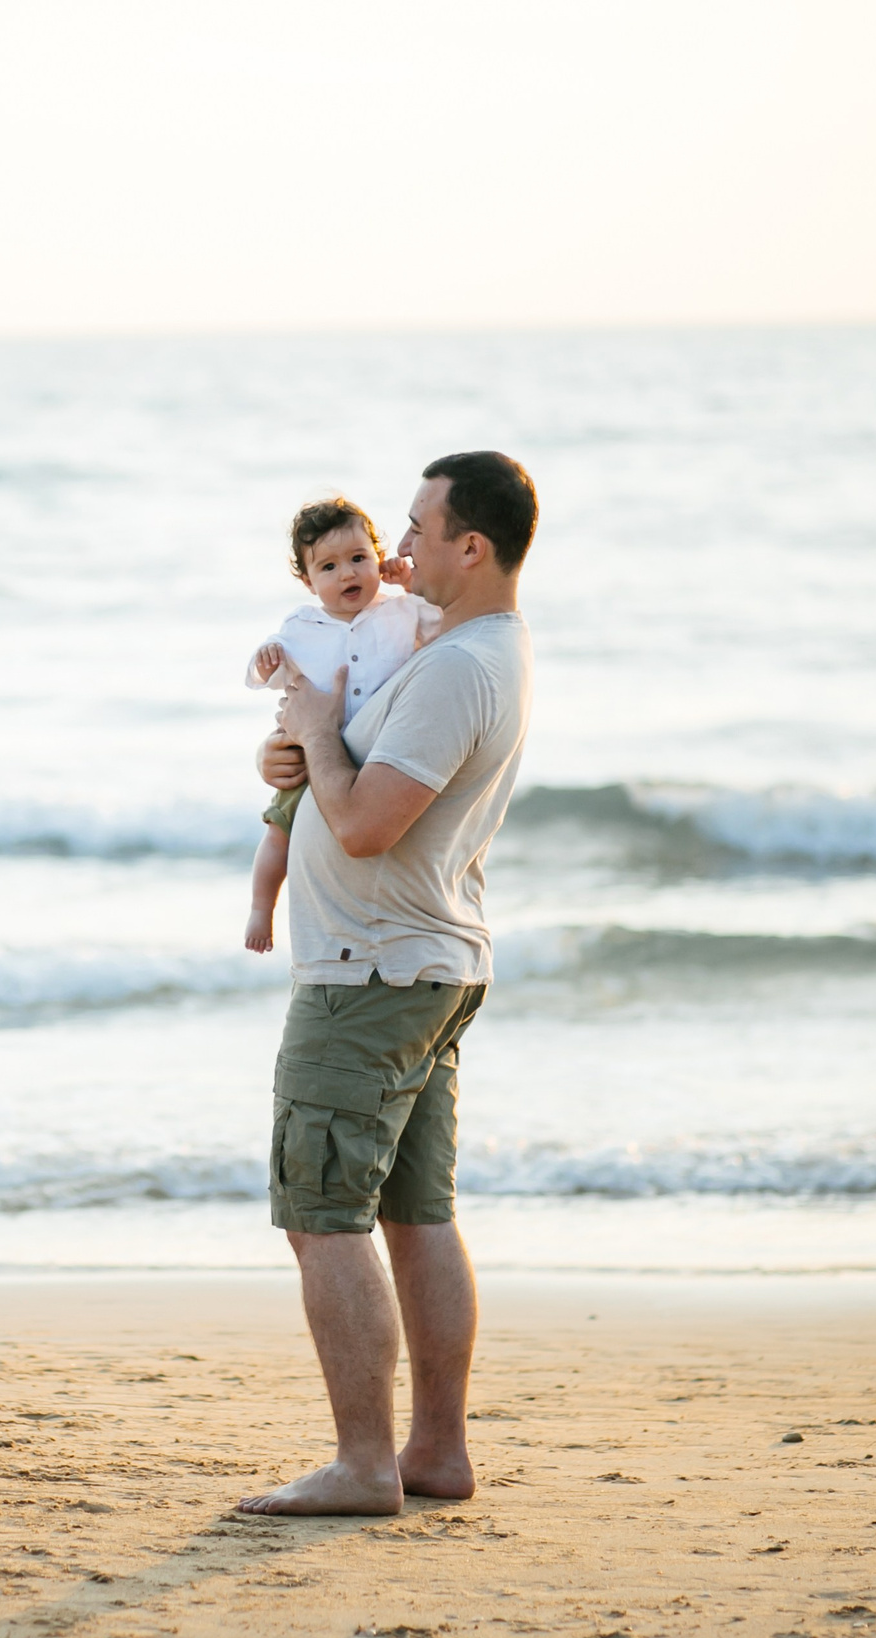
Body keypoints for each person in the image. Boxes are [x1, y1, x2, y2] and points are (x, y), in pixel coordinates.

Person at [235, 451, 538, 1518]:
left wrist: (316, 735)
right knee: (415, 1213)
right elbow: (349, 775)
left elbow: (365, 827)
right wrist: (299, 757)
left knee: (322, 1214)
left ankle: (365, 1465)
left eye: (416, 529)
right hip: (421, 961)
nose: (398, 550)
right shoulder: (454, 648)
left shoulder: (462, 665)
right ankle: (435, 1453)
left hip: (370, 970)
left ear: (472, 546)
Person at [242, 496, 439, 953]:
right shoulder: (299, 626)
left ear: (377, 557)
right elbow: (262, 675)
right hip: (316, 758)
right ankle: (260, 907)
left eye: (358, 558)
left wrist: (411, 586)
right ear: (308, 581)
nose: (347, 573)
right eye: (328, 567)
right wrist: (265, 660)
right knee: (279, 830)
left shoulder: (400, 612)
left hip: (376, 753)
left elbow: (441, 626)